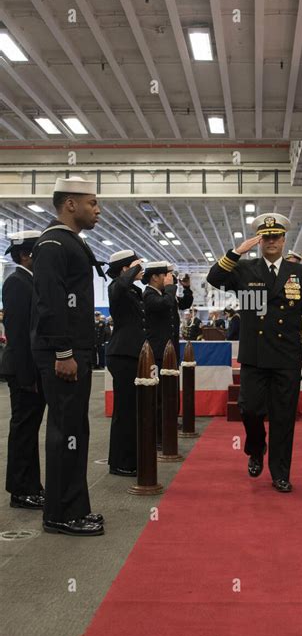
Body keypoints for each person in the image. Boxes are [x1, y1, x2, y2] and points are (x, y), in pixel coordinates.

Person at [207, 213, 302, 493]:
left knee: (283, 417)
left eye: (276, 237)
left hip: (287, 355)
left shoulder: (300, 273)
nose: (271, 241)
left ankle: (280, 472)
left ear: (283, 240)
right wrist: (237, 252)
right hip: (255, 355)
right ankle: (256, 448)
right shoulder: (245, 269)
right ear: (259, 241)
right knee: (250, 409)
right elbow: (214, 278)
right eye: (265, 237)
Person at [31, 176, 105, 536]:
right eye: (92, 202)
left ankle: (74, 506)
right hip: (65, 354)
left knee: (75, 429)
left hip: (76, 350)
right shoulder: (53, 244)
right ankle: (61, 514)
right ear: (70, 204)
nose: (98, 209)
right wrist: (63, 352)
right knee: (65, 432)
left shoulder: (68, 242)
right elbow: (50, 303)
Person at [2, 230, 46, 510]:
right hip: (23, 370)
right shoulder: (18, 283)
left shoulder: (27, 281)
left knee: (29, 430)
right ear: (25, 255)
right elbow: (18, 335)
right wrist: (28, 375)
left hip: (28, 369)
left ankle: (31, 485)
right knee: (24, 431)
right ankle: (20, 490)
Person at [143, 261, 193, 447]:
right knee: (157, 396)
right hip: (156, 353)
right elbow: (163, 305)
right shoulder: (149, 295)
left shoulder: (165, 294)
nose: (170, 278)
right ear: (155, 277)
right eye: (167, 274)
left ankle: (168, 424)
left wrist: (186, 289)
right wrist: (171, 288)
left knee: (169, 392)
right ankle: (157, 434)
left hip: (169, 352)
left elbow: (184, 303)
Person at [105, 249, 145, 476]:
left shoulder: (133, 291)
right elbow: (119, 285)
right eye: (134, 266)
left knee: (131, 409)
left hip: (133, 353)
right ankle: (120, 462)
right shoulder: (117, 288)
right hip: (122, 355)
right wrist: (134, 269)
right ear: (124, 269)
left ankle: (129, 458)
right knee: (125, 410)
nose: (141, 270)